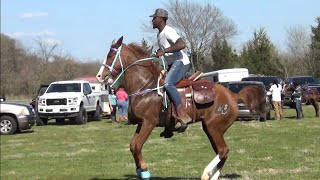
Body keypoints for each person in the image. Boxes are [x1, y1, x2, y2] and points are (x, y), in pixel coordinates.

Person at [150, 8, 192, 132]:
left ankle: (182, 115)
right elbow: (166, 53)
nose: (152, 20)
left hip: (181, 63)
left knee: (168, 84)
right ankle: (170, 122)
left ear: (161, 20)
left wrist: (164, 51)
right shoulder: (159, 34)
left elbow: (181, 44)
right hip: (172, 65)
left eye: (154, 18)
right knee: (162, 87)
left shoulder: (168, 31)